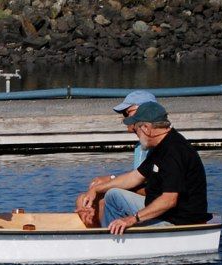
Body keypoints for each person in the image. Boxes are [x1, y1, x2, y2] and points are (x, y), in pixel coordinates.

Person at [80, 101, 210, 234]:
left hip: (179, 221)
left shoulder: (174, 152)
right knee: (113, 195)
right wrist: (96, 189)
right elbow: (134, 177)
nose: (135, 133)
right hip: (167, 212)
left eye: (136, 128)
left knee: (117, 202)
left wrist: (132, 219)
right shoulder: (161, 145)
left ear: (146, 128)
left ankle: (112, 242)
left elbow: (169, 200)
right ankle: (113, 233)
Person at [75, 90, 159, 227]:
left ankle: (108, 238)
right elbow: (138, 177)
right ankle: (93, 235)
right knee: (82, 200)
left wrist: (108, 184)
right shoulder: (140, 146)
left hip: (156, 204)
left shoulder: (159, 145)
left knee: (107, 197)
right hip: (144, 196)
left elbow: (152, 189)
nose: (124, 119)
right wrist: (107, 182)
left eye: (127, 114)